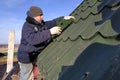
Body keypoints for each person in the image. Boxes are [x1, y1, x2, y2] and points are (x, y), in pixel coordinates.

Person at [17, 6, 75, 80]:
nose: (43, 16)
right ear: (34, 16)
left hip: (34, 55)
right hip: (26, 58)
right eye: (40, 15)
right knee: (26, 76)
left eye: (42, 14)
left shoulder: (40, 23)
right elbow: (33, 39)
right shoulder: (27, 27)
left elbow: (51, 23)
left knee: (33, 74)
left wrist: (63, 18)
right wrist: (50, 32)